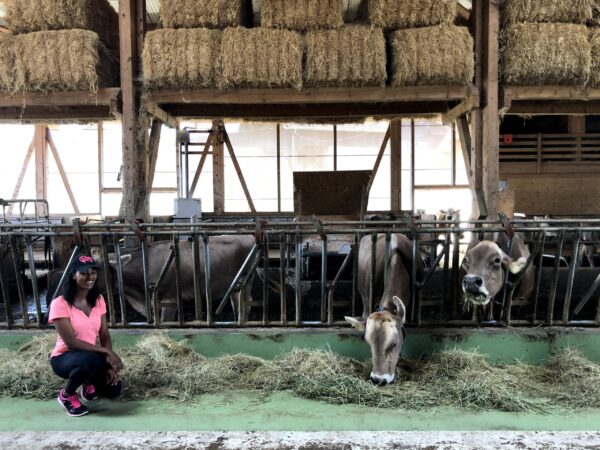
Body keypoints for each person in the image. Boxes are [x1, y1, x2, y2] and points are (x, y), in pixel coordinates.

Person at [48, 254, 124, 417]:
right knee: (88, 360)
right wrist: (107, 353)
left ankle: (87, 384)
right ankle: (67, 395)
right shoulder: (60, 304)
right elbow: (71, 342)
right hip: (65, 357)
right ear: (73, 276)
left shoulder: (98, 300)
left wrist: (108, 365)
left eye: (93, 272)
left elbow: (104, 333)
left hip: (91, 356)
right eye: (83, 273)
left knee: (113, 391)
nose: (90, 276)